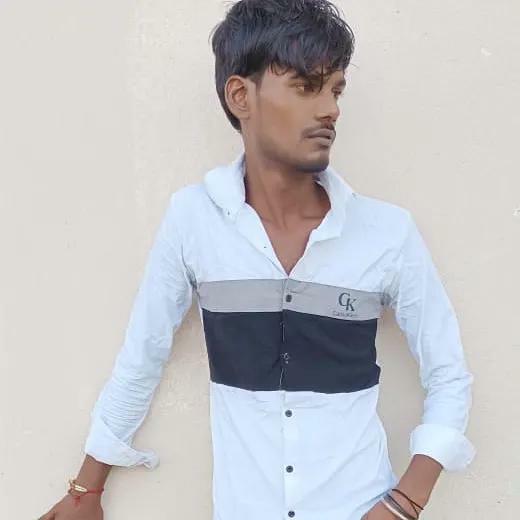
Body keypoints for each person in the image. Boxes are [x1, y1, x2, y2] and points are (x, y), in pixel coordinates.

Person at [39, 1, 475, 519]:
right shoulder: (194, 219)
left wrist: (405, 504)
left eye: (336, 90)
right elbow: (142, 356)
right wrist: (86, 489)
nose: (331, 109)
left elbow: (450, 375)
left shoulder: (386, 232)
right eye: (306, 86)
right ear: (240, 96)